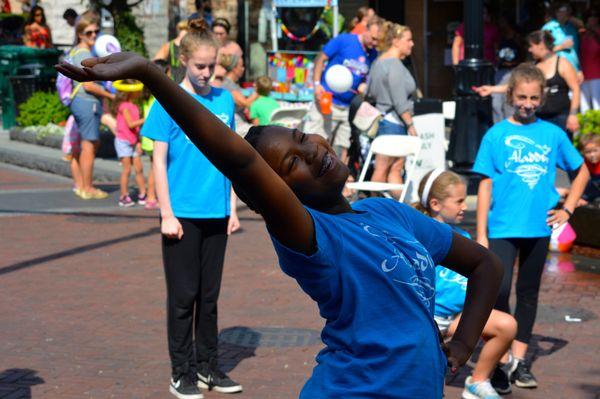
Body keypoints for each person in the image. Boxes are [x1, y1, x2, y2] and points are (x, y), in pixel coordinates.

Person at [58, 49, 506, 399]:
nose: (311, 150)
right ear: (277, 197)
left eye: (299, 138)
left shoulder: (389, 213)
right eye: (293, 163)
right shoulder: (314, 238)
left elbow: (486, 266)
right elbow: (239, 161)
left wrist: (464, 343)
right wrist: (153, 76)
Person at [473, 64, 590, 389]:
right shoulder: (495, 135)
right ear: (511, 96)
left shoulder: (552, 134)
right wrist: (481, 233)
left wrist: (567, 209)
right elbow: (484, 185)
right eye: (522, 97)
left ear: (542, 98)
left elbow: (581, 172)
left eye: (534, 98)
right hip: (500, 229)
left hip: (538, 229)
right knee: (497, 292)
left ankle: (519, 362)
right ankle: (499, 355)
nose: (527, 103)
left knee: (528, 294)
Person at [144, 19, 242, 398]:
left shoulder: (224, 100)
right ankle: (181, 371)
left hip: (216, 211)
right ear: (184, 60)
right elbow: (158, 161)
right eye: (199, 66)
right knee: (184, 297)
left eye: (211, 66)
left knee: (210, 297)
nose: (205, 73)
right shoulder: (168, 101)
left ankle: (209, 368)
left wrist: (231, 207)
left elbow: (230, 157)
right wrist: (166, 214)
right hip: (182, 213)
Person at [415, 169, 518, 398]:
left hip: (456, 317)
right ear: (435, 204)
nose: (465, 206)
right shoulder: (420, 238)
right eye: (459, 201)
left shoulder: (462, 236)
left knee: (507, 325)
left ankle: (477, 381)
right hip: (427, 319)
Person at [475, 30, 581, 138]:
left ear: (541, 45)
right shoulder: (534, 66)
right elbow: (516, 86)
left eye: (531, 46)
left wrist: (573, 115)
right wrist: (492, 89)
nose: (529, 50)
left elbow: (576, 89)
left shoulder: (563, 64)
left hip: (560, 117)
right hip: (539, 118)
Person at [307, 15, 382, 163]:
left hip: (347, 107)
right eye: (373, 38)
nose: (374, 43)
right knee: (317, 144)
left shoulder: (373, 53)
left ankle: (338, 182)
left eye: (377, 40)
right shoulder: (344, 40)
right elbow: (321, 58)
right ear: (366, 29)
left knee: (341, 148)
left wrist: (363, 86)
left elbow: (363, 77)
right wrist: (316, 84)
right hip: (327, 101)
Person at [367, 22, 417, 198]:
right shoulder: (394, 64)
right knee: (390, 169)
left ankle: (392, 209)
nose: (412, 44)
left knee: (386, 169)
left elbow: (370, 92)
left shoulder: (378, 62)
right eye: (409, 40)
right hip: (394, 121)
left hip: (383, 120)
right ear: (396, 41)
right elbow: (399, 99)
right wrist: (410, 124)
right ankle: (383, 210)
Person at [70, 16, 115, 200]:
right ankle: (87, 188)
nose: (94, 35)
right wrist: (110, 95)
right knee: (90, 144)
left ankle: (81, 186)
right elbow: (88, 85)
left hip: (82, 102)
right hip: (87, 102)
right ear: (80, 34)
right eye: (89, 32)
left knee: (88, 143)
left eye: (96, 31)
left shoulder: (77, 52)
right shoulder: (83, 54)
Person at [111, 81, 147, 207]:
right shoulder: (124, 106)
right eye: (138, 90)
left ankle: (143, 194)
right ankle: (123, 196)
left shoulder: (135, 106)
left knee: (139, 169)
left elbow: (135, 129)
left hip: (133, 140)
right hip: (123, 141)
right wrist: (146, 119)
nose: (140, 92)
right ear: (131, 92)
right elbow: (131, 124)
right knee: (127, 170)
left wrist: (138, 141)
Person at [541, 1, 583, 76]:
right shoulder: (548, 28)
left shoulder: (571, 28)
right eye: (563, 10)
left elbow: (575, 51)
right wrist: (562, 46)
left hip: (573, 70)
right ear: (556, 12)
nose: (566, 13)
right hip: (555, 71)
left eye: (568, 11)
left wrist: (579, 70)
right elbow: (541, 52)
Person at [220, 53, 256, 135]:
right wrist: (257, 92)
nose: (243, 69)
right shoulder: (227, 85)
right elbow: (245, 103)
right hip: (237, 124)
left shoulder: (233, 84)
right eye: (241, 66)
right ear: (234, 69)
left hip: (241, 122)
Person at [579, 8, 600, 112]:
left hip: (597, 75)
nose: (592, 19)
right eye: (590, 17)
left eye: (595, 17)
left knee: (597, 106)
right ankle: (586, 128)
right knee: (584, 107)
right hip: (583, 74)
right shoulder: (582, 33)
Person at [578, 134, 600, 205]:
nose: (592, 155)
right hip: (593, 184)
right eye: (588, 152)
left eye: (595, 151)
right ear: (583, 152)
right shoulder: (583, 162)